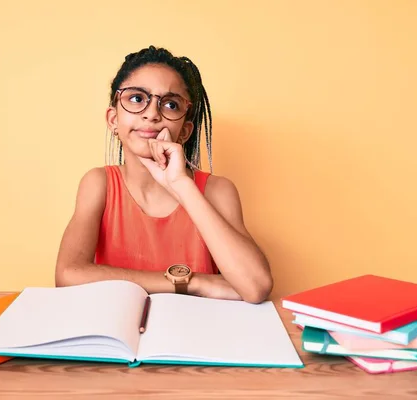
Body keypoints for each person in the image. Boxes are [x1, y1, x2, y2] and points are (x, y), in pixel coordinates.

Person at [55, 45, 273, 303]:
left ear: (184, 131)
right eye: (137, 98)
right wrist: (192, 282)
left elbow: (256, 285)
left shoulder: (218, 190)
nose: (152, 114)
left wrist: (180, 184)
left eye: (170, 104)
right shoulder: (98, 183)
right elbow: (68, 275)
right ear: (113, 119)